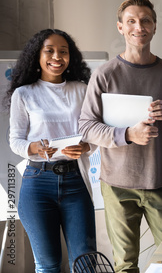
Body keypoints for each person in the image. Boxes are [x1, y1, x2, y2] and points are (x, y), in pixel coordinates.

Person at [78, 0, 162, 272]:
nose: (140, 26)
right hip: (117, 186)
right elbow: (86, 127)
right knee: (125, 265)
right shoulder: (104, 74)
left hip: (161, 181)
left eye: (146, 20)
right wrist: (127, 135)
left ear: (155, 26)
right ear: (120, 28)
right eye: (131, 21)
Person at [7, 29, 96, 272]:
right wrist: (33, 147)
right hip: (37, 182)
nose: (57, 56)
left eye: (63, 51)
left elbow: (95, 133)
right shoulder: (23, 93)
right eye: (50, 51)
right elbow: (15, 141)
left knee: (86, 264)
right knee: (47, 265)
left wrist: (86, 146)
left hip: (76, 180)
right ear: (37, 55)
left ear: (71, 57)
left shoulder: (81, 89)